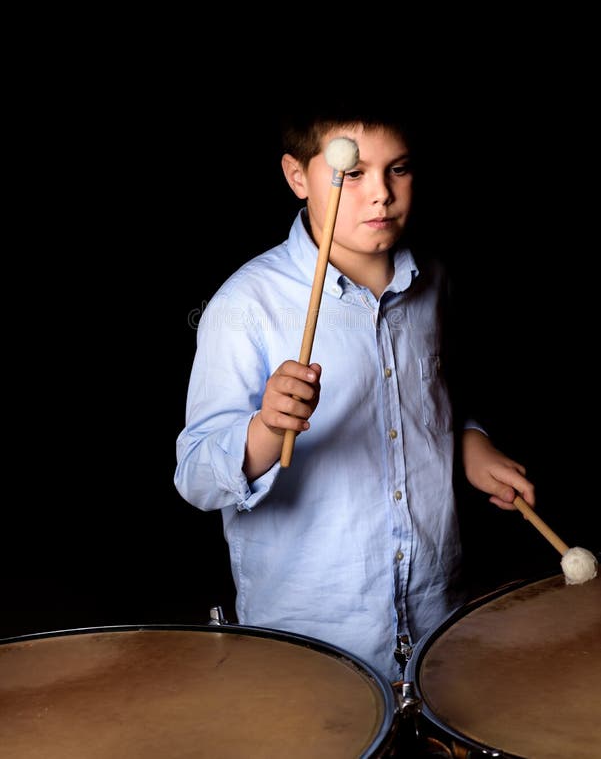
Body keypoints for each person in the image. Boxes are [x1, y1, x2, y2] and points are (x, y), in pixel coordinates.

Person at [174, 94, 535, 684]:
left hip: (437, 621)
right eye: (354, 173)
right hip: (310, 648)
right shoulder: (246, 305)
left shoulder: (433, 281)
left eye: (398, 168)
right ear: (297, 176)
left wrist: (467, 441)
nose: (381, 194)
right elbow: (195, 477)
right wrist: (265, 429)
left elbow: (431, 399)